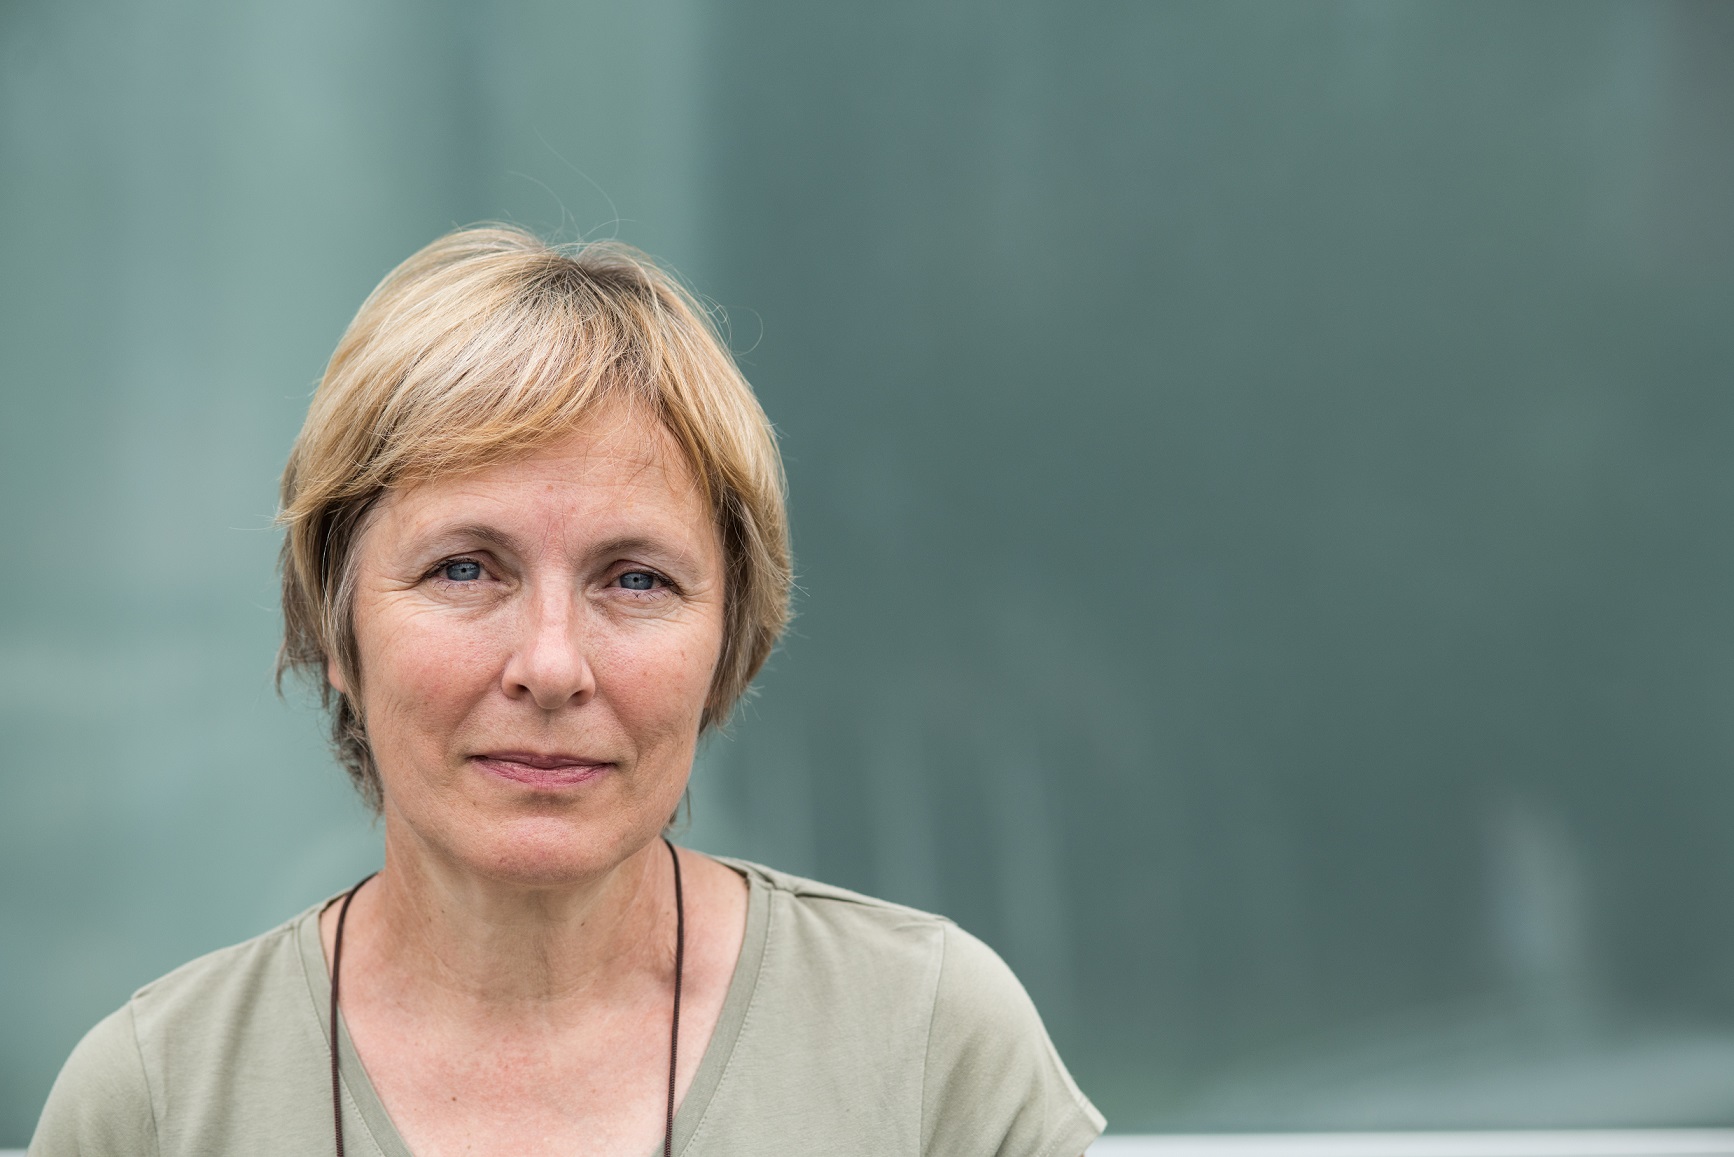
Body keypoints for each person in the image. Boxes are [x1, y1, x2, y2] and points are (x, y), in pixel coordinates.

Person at [30, 226, 1105, 1157]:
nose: (550, 664)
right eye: (466, 567)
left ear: (729, 639)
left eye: (635, 578)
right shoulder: (155, 1101)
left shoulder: (925, 1045)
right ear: (336, 625)